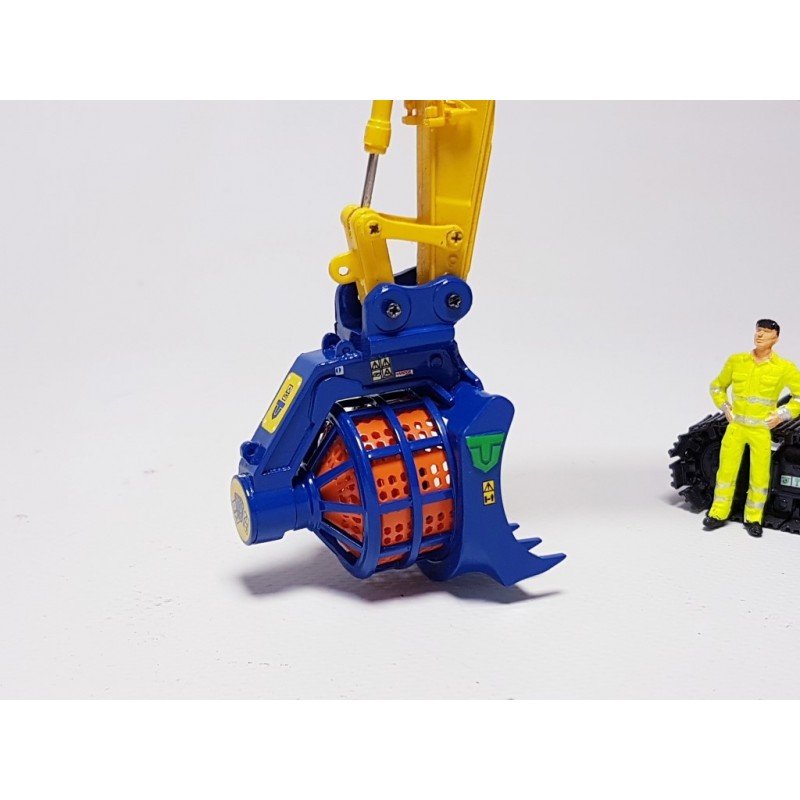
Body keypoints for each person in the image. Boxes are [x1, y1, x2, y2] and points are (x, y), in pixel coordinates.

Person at [703, 319, 800, 537]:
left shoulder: (784, 368)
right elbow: (717, 386)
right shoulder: (737, 361)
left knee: (759, 477)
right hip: (736, 427)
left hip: (760, 430)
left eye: (766, 332)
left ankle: (754, 518)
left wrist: (782, 415)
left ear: (776, 338)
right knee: (725, 472)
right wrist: (724, 406)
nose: (760, 335)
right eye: (758, 330)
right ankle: (718, 513)